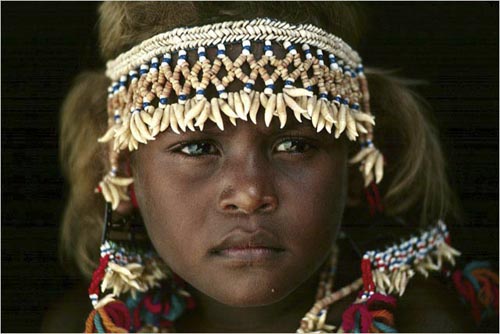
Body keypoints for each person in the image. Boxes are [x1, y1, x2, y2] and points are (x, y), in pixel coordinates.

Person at [52, 2, 497, 332]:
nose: (249, 193)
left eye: (294, 144)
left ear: (360, 165)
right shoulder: (85, 326)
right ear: (122, 172)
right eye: (197, 147)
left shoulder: (422, 324)